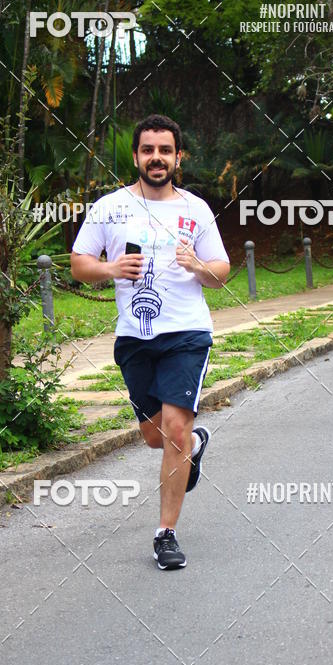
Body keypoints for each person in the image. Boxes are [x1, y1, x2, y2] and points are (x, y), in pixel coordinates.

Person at [70, 114, 230, 570]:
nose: (156, 158)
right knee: (154, 437)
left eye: (165, 150)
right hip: (134, 338)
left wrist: (198, 265)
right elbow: (79, 263)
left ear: (178, 157)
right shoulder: (110, 207)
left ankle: (166, 534)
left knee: (174, 431)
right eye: (148, 150)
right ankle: (194, 447)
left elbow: (221, 272)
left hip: (186, 333)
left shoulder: (196, 209)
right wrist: (111, 269)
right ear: (137, 156)